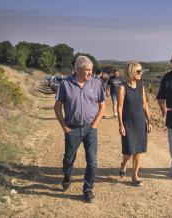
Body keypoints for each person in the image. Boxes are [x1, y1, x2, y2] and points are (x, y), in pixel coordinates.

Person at [54, 55, 106, 202]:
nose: (90, 73)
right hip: (72, 129)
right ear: (77, 70)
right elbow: (57, 106)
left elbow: (103, 105)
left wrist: (95, 124)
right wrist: (64, 126)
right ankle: (67, 175)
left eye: (91, 70)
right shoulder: (65, 84)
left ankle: (88, 189)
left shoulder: (96, 83)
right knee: (69, 158)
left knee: (92, 161)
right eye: (87, 70)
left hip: (90, 128)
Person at [117, 62, 152, 186]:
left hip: (140, 122)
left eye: (141, 71)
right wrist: (120, 125)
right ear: (131, 72)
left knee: (138, 151)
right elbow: (120, 108)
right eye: (138, 71)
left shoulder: (141, 86)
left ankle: (135, 176)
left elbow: (144, 104)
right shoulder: (122, 87)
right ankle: (123, 164)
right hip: (128, 124)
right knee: (129, 151)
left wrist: (149, 121)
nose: (140, 73)